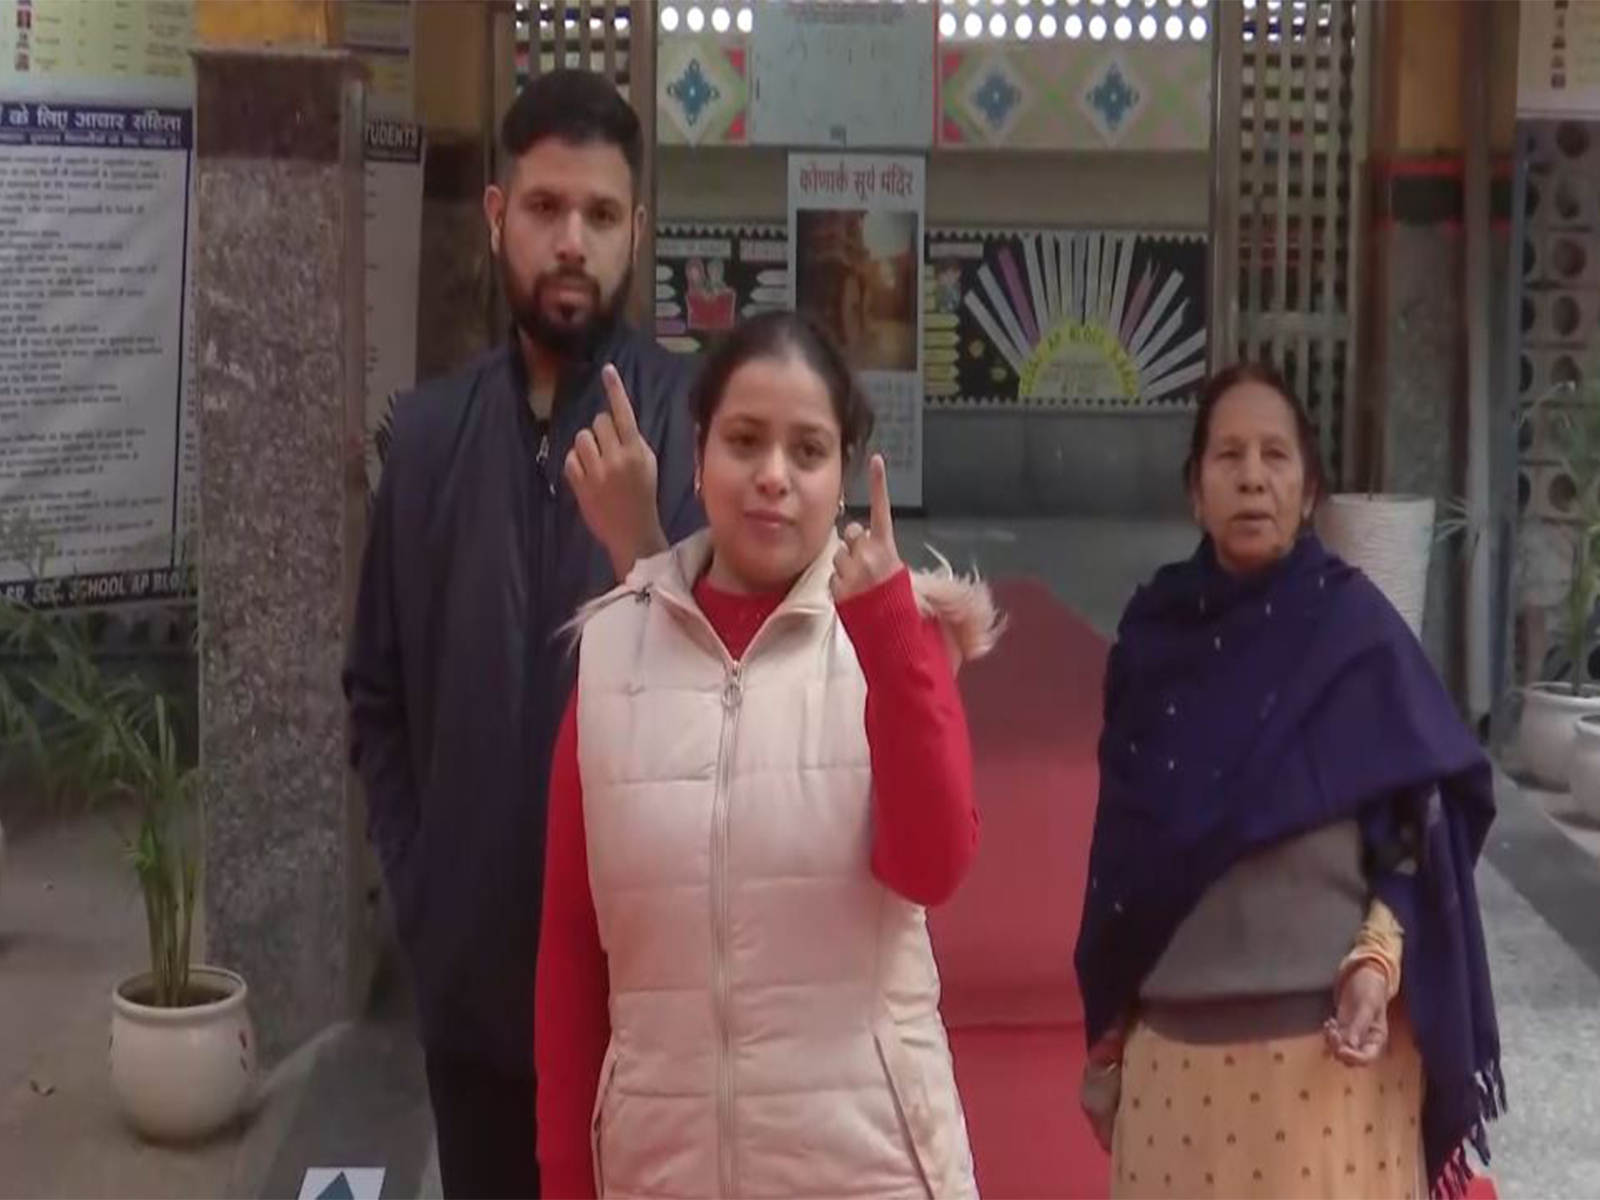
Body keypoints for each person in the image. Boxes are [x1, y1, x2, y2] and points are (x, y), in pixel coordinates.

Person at [534, 311, 1002, 1199]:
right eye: (745, 441)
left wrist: (890, 636)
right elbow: (570, 953)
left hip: (870, 1169)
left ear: (848, 472)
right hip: (660, 1170)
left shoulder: (896, 641)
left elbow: (935, 865)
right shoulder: (612, 655)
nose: (774, 477)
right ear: (700, 452)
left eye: (809, 450)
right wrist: (565, 1177)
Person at [343, 70, 702, 1199]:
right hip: (475, 994)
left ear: (635, 232)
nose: (570, 243)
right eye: (545, 209)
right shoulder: (429, 436)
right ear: (497, 214)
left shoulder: (699, 429)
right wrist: (426, 895)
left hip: (652, 997)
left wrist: (645, 540)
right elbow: (376, 692)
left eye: (599, 217)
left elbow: (745, 690)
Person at [1075, 363, 1505, 1200]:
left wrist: (1377, 965)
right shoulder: (1153, 643)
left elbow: (1420, 827)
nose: (1252, 476)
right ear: (1195, 490)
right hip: (1178, 1085)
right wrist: (1112, 1038)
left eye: (1276, 455)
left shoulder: (1357, 639)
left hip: (1330, 1080)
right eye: (1228, 455)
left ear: (1309, 491)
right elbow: (1127, 869)